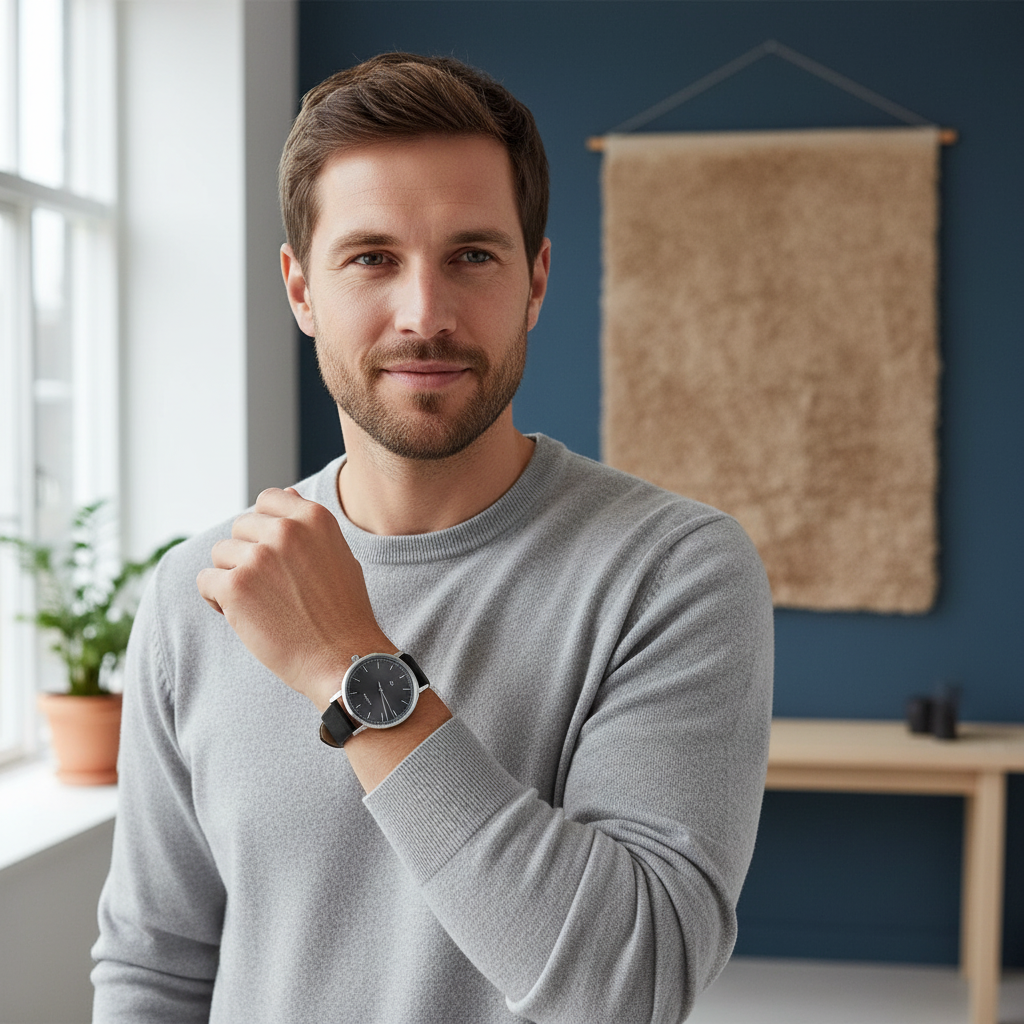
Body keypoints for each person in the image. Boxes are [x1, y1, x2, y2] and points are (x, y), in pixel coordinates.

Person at [92, 53, 773, 1024]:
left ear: (535, 282)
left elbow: (630, 987)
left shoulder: (672, 571)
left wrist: (351, 669)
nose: (425, 314)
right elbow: (154, 971)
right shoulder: (198, 589)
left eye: (473, 256)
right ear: (300, 290)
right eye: (372, 258)